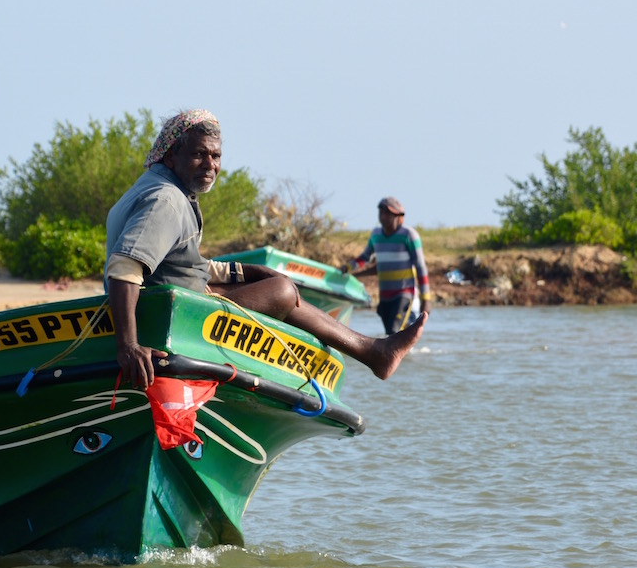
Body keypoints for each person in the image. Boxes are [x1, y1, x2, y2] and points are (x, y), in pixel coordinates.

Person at [104, 109, 427, 391]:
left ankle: (372, 351)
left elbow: (180, 261)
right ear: (171, 156)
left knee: (271, 283)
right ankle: (371, 351)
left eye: (216, 156)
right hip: (169, 314)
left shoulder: (160, 188)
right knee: (281, 291)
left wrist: (248, 271)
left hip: (176, 298)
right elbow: (125, 268)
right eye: (199, 154)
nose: (210, 164)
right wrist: (129, 345)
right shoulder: (166, 200)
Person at [343, 197, 431, 335]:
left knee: (394, 331)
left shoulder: (409, 235)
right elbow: (365, 258)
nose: (383, 216)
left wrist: (426, 298)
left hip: (404, 294)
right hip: (385, 296)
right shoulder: (376, 235)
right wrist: (348, 267)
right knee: (391, 333)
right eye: (381, 212)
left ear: (398, 216)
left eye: (388, 213)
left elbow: (420, 267)